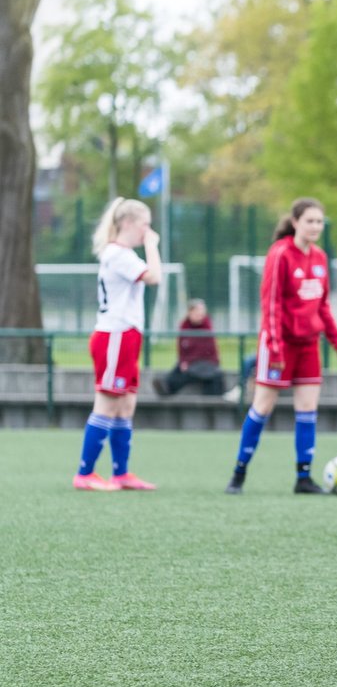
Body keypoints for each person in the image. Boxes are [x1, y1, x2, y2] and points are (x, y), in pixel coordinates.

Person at [224, 197, 337, 495]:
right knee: (262, 407)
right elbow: (270, 304)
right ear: (295, 222)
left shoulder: (320, 257)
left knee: (307, 409)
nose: (315, 226)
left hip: (308, 346)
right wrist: (276, 347)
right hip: (278, 345)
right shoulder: (280, 254)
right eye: (309, 221)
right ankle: (238, 473)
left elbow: (323, 305)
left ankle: (303, 477)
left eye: (319, 222)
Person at [73, 197, 163, 492]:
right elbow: (154, 277)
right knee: (107, 403)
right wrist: (153, 244)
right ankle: (85, 474)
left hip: (127, 336)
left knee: (126, 405)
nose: (147, 230)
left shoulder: (122, 254)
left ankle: (121, 473)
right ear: (127, 223)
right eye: (144, 224)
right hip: (114, 336)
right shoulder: (118, 254)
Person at [153, 299, 226, 396]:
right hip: (190, 362)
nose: (200, 314)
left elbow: (205, 351)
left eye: (201, 311)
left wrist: (188, 362)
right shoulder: (184, 326)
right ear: (190, 312)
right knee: (179, 368)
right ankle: (166, 387)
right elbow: (181, 347)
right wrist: (184, 361)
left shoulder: (206, 326)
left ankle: (168, 387)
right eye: (197, 311)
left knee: (191, 373)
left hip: (206, 362)